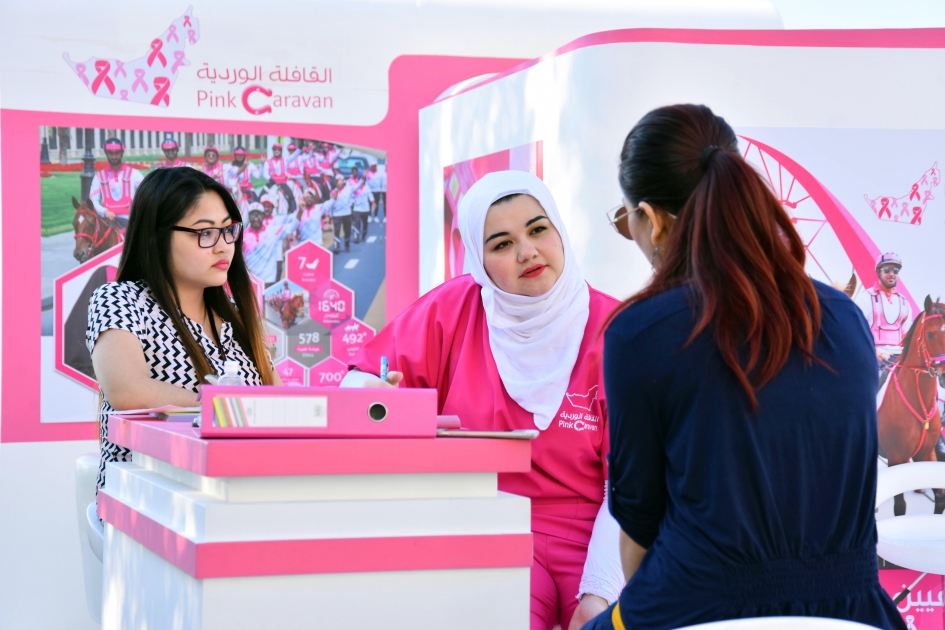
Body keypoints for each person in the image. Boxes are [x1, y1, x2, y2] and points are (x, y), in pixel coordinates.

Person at [583, 104, 904, 630]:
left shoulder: (639, 332)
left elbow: (639, 529)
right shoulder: (846, 318)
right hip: (853, 612)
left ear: (654, 220)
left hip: (696, 608)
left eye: (626, 221)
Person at [343, 171, 625, 630]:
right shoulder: (453, 310)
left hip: (600, 535)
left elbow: (632, 485)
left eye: (538, 229)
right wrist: (373, 397)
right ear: (479, 261)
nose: (527, 252)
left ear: (559, 230)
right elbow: (357, 383)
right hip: (485, 525)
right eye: (501, 244)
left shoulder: (619, 329)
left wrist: (599, 595)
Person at [86, 167, 280, 495]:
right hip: (147, 500)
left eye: (228, 230)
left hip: (241, 493)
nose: (223, 247)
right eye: (205, 233)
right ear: (156, 236)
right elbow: (127, 392)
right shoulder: (119, 299)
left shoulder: (236, 317)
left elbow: (277, 404)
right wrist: (229, 409)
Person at [854, 253, 913, 367]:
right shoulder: (865, 298)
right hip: (872, 355)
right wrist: (874, 350)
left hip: (899, 357)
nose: (891, 274)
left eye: (895, 270)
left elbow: (908, 334)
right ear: (878, 272)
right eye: (887, 270)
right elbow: (855, 330)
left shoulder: (904, 302)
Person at [243, 197, 304, 284]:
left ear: (263, 216)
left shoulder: (272, 231)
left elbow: (291, 227)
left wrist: (300, 212)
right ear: (249, 217)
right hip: (251, 282)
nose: (256, 219)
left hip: (269, 281)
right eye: (253, 215)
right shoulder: (243, 235)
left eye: (258, 215)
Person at [88, 137, 144, 230]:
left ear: (122, 153)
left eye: (117, 153)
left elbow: (148, 192)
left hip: (130, 221)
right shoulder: (99, 177)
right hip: (108, 222)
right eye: (111, 153)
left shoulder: (134, 173)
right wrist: (104, 211)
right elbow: (92, 201)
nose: (114, 156)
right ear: (106, 153)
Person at [262, 142, 298, 214]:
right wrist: (270, 179)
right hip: (272, 183)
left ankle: (292, 212)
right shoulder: (268, 162)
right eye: (275, 149)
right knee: (261, 195)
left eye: (278, 149)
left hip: (282, 183)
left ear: (281, 151)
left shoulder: (285, 160)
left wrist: (300, 146)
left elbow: (294, 155)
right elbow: (265, 173)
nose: (277, 151)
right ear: (273, 150)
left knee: (290, 196)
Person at [329, 175, 354, 253]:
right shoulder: (333, 191)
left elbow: (357, 187)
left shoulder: (348, 189)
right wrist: (330, 215)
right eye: (338, 180)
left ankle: (347, 245)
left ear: (343, 182)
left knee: (347, 230)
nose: (340, 182)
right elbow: (331, 204)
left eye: (341, 180)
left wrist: (363, 178)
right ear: (336, 181)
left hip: (347, 213)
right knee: (337, 230)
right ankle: (336, 246)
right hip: (337, 214)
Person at [350, 169, 374, 243]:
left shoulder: (367, 187)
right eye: (361, 179)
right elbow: (351, 197)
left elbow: (370, 195)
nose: (363, 180)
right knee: (357, 222)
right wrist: (350, 204)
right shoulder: (355, 187)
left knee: (365, 224)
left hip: (365, 209)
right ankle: (356, 237)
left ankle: (363, 235)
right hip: (357, 208)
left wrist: (373, 202)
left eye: (364, 179)